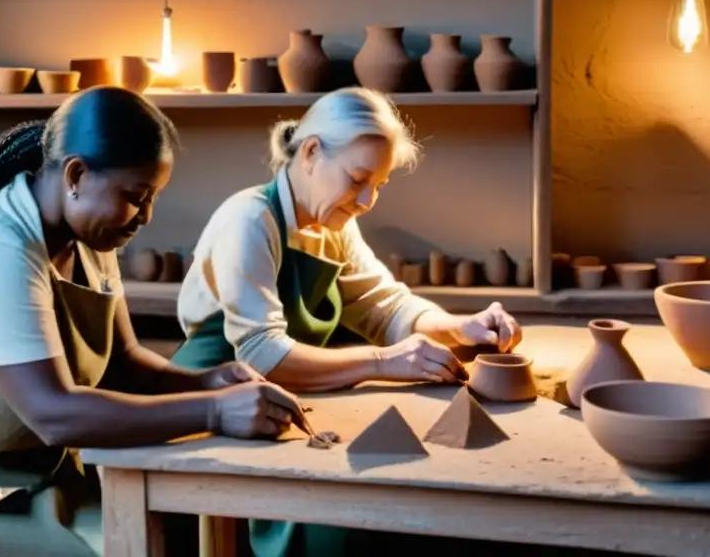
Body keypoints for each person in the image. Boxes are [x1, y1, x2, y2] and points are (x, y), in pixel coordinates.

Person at [0, 86, 305, 557]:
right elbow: (53, 413)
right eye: (135, 196)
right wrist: (216, 411)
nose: (145, 216)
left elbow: (126, 363)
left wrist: (208, 382)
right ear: (75, 174)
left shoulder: (91, 240)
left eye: (152, 197)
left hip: (13, 471)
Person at [172, 86, 523, 557]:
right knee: (333, 528)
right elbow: (263, 355)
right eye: (358, 179)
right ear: (312, 152)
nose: (367, 200)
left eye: (379, 185)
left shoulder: (333, 227)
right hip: (213, 408)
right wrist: (381, 361)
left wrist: (461, 328)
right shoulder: (250, 219)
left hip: (288, 397)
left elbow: (386, 308)